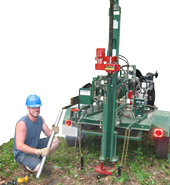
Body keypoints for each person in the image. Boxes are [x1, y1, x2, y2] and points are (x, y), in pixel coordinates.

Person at [13, 94, 60, 173]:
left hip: (35, 145)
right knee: (39, 168)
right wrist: (38, 151)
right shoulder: (22, 123)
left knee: (55, 140)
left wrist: (54, 132)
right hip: (22, 153)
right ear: (28, 108)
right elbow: (19, 146)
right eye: (33, 107)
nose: (36, 109)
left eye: (37, 107)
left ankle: (40, 159)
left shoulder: (40, 118)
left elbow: (47, 132)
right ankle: (27, 164)